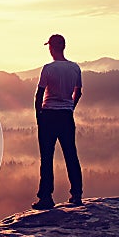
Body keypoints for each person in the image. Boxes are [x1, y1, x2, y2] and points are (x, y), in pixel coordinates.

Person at [32, 34, 83, 210]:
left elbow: (39, 95)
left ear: (51, 48)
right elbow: (79, 92)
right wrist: (70, 107)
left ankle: (46, 197)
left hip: (49, 115)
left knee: (47, 157)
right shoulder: (75, 68)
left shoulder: (48, 68)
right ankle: (76, 194)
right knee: (71, 154)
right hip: (66, 116)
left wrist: (39, 116)